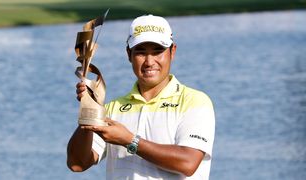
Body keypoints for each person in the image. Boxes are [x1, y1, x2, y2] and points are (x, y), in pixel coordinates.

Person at [67, 14, 215, 180]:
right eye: (141, 52)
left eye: (158, 52)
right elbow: (77, 163)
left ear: (172, 51)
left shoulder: (194, 101)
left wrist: (130, 140)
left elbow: (188, 163)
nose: (149, 62)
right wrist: (89, 110)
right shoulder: (112, 109)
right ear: (129, 54)